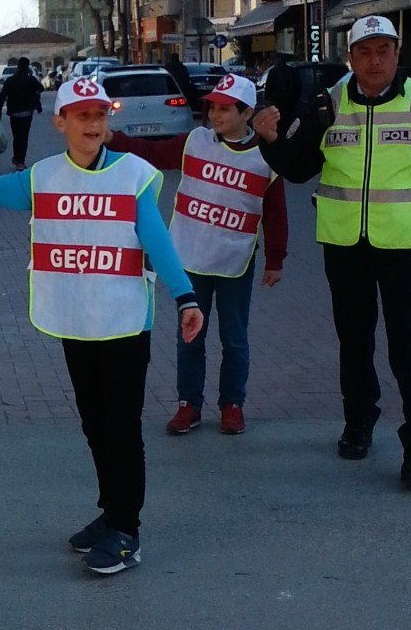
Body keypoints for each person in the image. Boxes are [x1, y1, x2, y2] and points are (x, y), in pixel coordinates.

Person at [0, 76, 203, 575]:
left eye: (100, 116)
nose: (93, 124)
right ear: (61, 123)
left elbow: (158, 241)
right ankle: (109, 512)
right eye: (82, 116)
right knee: (94, 423)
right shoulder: (43, 177)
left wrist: (186, 298)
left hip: (123, 324)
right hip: (77, 321)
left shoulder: (132, 177)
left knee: (121, 429)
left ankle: (127, 531)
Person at [252, 15, 411, 490]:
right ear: (350, 57)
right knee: (354, 343)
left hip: (404, 247)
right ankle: (359, 422)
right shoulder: (325, 105)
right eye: (365, 52)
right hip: (344, 245)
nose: (375, 61)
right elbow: (300, 167)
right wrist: (269, 142)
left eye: (384, 51)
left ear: (397, 54)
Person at [108, 73, 287, 437]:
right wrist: (117, 141)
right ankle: (188, 404)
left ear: (247, 112)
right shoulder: (195, 142)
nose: (215, 115)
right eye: (212, 107)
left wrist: (275, 259)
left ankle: (232, 405)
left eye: (224, 108)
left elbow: (276, 212)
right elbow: (153, 154)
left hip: (235, 262)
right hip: (189, 258)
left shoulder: (266, 158)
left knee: (234, 337)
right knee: (190, 335)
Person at [0, 56, 44, 170]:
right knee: (24, 138)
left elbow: (2, 96)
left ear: (18, 67)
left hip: (14, 113)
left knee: (16, 137)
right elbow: (41, 88)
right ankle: (21, 161)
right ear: (27, 67)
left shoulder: (11, 80)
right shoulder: (30, 79)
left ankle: (17, 159)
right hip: (27, 113)